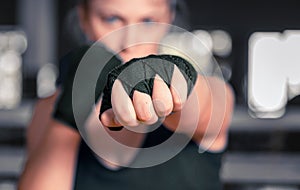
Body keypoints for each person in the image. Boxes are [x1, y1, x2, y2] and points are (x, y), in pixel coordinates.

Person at [18, 0, 235, 189]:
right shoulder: (49, 109)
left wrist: (172, 76)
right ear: (84, 18)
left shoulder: (216, 93)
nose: (129, 41)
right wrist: (71, 111)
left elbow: (202, 103)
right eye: (112, 19)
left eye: (148, 21)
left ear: (168, 18)